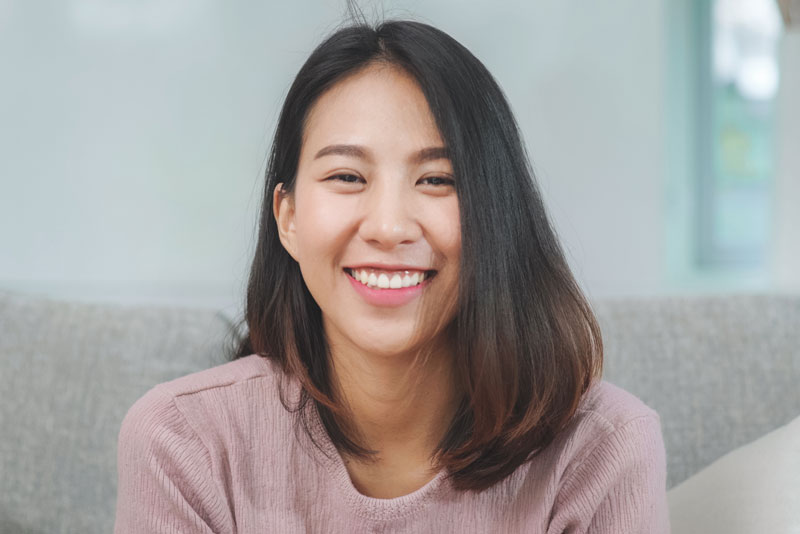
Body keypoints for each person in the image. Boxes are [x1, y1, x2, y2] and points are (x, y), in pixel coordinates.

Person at [114, 15, 669, 534]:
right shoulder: (182, 441)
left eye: (437, 180)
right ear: (287, 217)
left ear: (496, 215)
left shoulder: (605, 449)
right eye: (348, 176)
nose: (388, 226)